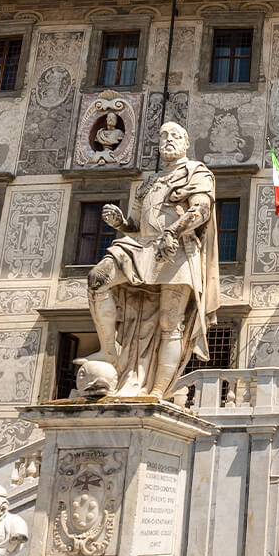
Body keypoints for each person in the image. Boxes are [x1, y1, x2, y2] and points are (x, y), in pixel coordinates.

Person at [87, 122, 219, 400]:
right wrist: (121, 223)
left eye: (175, 136)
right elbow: (136, 224)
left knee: (169, 323)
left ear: (185, 143)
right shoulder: (150, 181)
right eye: (163, 136)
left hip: (178, 250)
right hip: (141, 247)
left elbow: (202, 210)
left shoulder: (196, 172)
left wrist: (173, 231)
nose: (168, 141)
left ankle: (160, 388)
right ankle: (109, 350)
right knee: (98, 279)